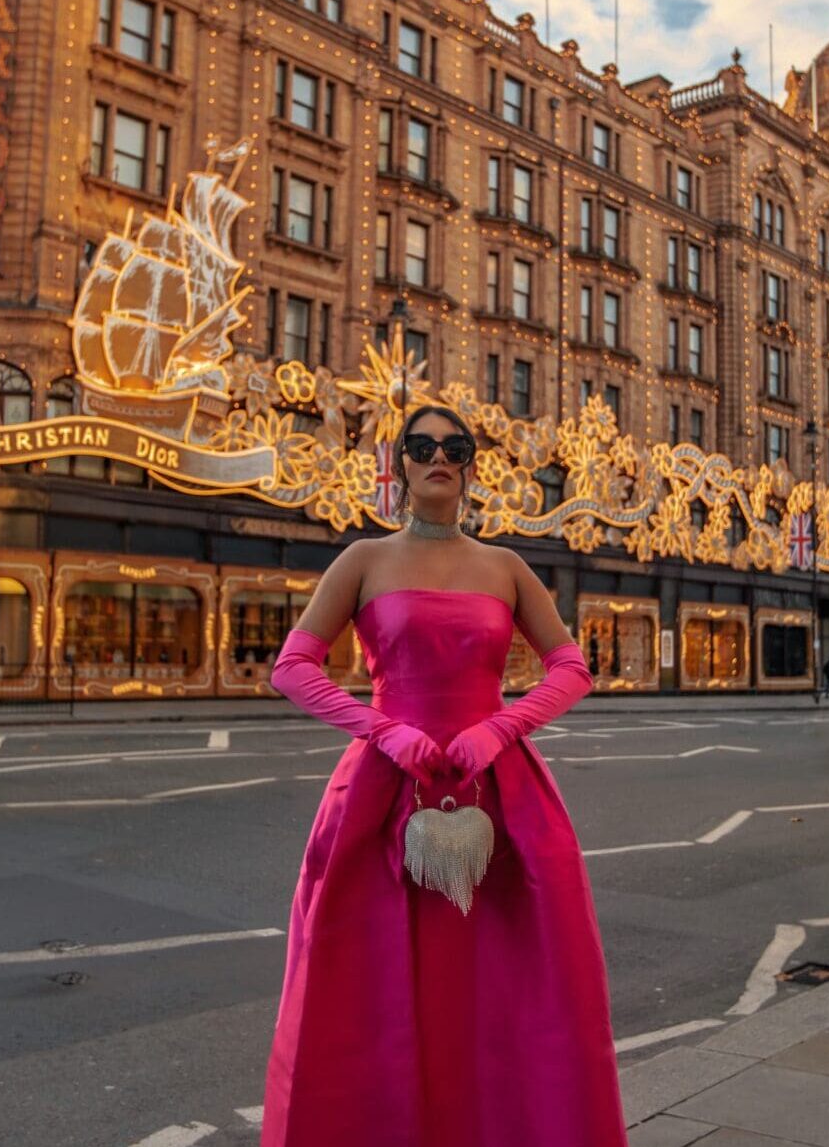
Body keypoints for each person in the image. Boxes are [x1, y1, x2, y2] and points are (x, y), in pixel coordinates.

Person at [264, 404, 627, 1147]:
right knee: (369, 981)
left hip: (500, 791)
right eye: (420, 445)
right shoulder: (362, 559)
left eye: (453, 446)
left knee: (512, 983)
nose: (438, 456)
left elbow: (571, 667)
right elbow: (292, 666)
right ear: (399, 464)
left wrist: (503, 725)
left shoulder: (506, 566)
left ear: (470, 465)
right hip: (381, 793)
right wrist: (379, 726)